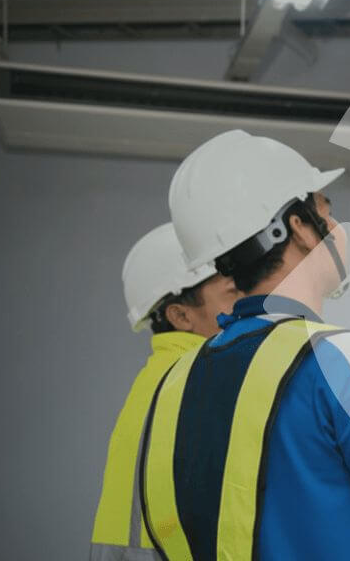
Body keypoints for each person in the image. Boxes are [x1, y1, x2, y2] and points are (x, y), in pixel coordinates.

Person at [141, 130, 350, 560]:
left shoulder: (180, 376)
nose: (335, 226)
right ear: (300, 228)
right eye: (326, 208)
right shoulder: (340, 355)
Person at [91, 223, 241, 560]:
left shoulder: (158, 377)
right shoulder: (202, 378)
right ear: (181, 316)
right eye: (232, 294)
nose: (248, 302)